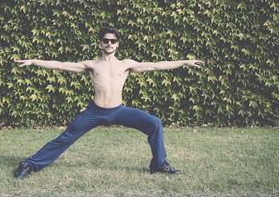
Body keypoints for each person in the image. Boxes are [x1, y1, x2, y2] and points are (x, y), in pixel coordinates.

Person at [14, 26, 204, 179]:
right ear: (100, 43)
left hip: (118, 111)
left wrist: (183, 62)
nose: (109, 43)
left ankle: (159, 165)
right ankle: (29, 164)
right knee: (65, 138)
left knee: (154, 123)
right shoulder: (91, 65)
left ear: (117, 44)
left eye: (113, 40)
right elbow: (61, 65)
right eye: (106, 40)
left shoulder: (126, 64)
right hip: (94, 112)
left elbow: (156, 65)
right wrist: (33, 61)